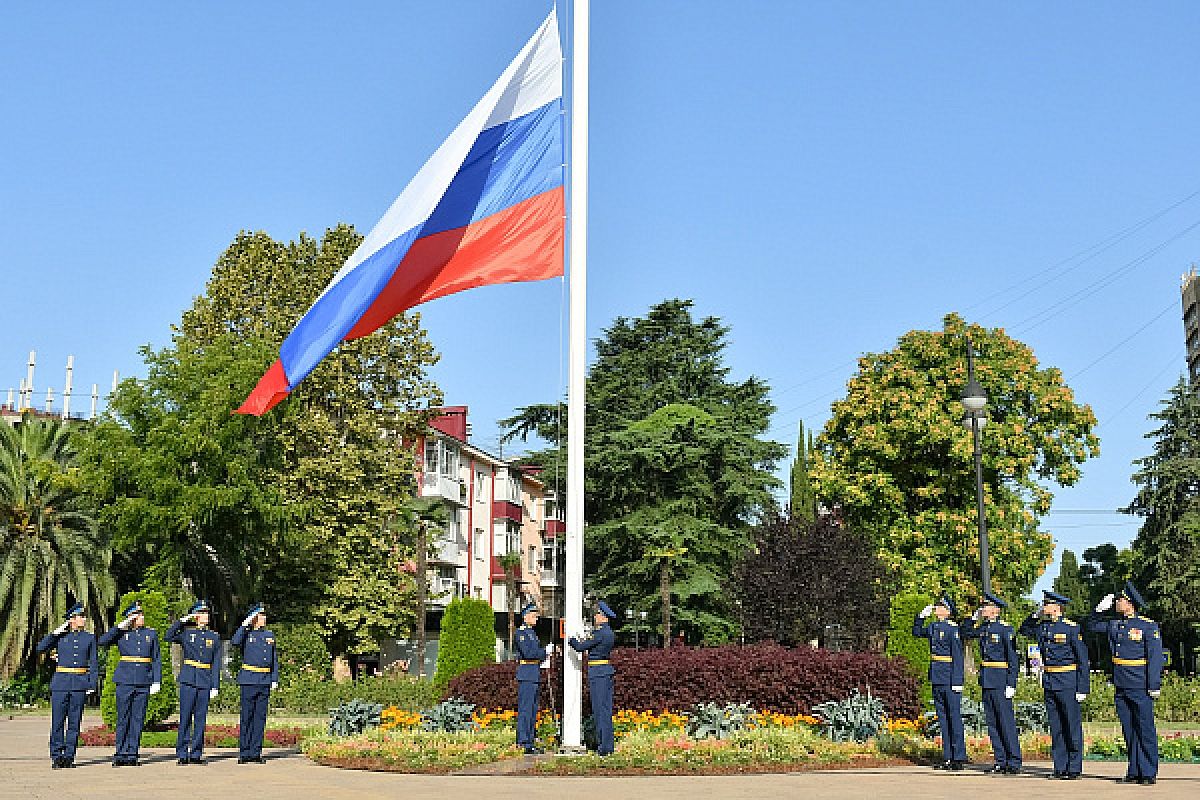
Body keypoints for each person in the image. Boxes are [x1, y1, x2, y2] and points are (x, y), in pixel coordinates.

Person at [1088, 581, 1164, 786]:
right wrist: (1097, 610)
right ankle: (1134, 769)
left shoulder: (1147, 626)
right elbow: (1092, 626)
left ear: (1130, 603)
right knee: (1129, 730)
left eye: (1120, 600)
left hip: (1140, 684)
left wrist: (1153, 684)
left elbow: (1155, 657)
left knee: (1145, 729)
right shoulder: (1115, 624)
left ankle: (1148, 771)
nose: (1116, 603)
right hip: (1122, 684)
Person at [1019, 590, 1089, 780]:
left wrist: (1083, 687)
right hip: (1050, 681)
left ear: (1057, 607)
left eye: (1047, 604)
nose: (1044, 607)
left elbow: (1083, 660)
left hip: (1068, 681)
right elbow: (1024, 630)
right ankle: (1060, 767)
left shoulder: (1071, 628)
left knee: (1071, 727)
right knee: (1056, 727)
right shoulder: (1042, 627)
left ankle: (1074, 768)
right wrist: (1035, 616)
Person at [962, 591, 1021, 774]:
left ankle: (1014, 761)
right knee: (993, 723)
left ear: (995, 610)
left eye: (986, 607)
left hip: (1001, 680)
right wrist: (973, 618)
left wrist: (1011, 683)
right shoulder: (984, 628)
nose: (983, 609)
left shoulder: (1005, 629)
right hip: (987, 679)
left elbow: (1013, 659)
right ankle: (1000, 760)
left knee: (1006, 722)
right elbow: (965, 632)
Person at [98, 600, 162, 766]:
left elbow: (156, 658)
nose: (141, 617)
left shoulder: (151, 634)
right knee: (123, 718)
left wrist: (156, 680)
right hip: (125, 680)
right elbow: (103, 641)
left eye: (141, 614)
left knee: (137, 719)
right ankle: (120, 753)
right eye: (138, 614)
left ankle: (132, 753)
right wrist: (120, 626)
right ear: (131, 618)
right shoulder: (121, 633)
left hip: (143, 680)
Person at [36, 602, 97, 769]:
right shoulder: (60, 637)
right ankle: (56, 756)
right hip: (61, 683)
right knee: (57, 722)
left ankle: (69, 756)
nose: (83, 619)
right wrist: (55, 633)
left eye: (83, 616)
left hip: (79, 683)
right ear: (72, 620)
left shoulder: (89, 638)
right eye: (80, 617)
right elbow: (40, 648)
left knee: (74, 723)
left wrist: (91, 683)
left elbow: (93, 662)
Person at [912, 594, 967, 770]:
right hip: (937, 676)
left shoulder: (952, 629)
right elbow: (916, 632)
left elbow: (958, 657)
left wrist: (957, 680)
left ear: (947, 611)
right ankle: (947, 757)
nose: (936, 608)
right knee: (943, 719)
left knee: (954, 718)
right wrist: (920, 618)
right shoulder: (934, 626)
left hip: (950, 677)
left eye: (939, 606)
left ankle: (958, 757)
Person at [165, 600, 221, 765]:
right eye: (202, 613)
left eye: (207, 613)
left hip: (204, 680)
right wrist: (183, 620)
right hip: (189, 679)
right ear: (195, 616)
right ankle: (182, 753)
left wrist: (215, 685)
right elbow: (168, 636)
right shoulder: (187, 633)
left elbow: (216, 662)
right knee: (185, 718)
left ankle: (196, 753)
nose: (206, 616)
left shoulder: (214, 636)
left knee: (200, 719)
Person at [230, 602, 279, 764]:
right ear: (253, 619)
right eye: (260, 616)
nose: (263, 619)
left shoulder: (269, 635)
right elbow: (235, 642)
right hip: (249, 680)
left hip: (264, 680)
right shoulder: (246, 634)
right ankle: (244, 752)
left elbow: (274, 659)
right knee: (247, 717)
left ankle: (256, 752)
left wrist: (274, 678)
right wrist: (245, 624)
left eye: (264, 616)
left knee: (260, 718)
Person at [569, 601, 616, 757]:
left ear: (603, 617)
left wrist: (571, 640)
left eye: (597, 614)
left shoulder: (600, 633)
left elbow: (581, 647)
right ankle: (607, 744)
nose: (595, 617)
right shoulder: (608, 633)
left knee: (599, 710)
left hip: (598, 673)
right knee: (605, 710)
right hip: (604, 671)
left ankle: (604, 747)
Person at [513, 602, 549, 754]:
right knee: (526, 709)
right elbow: (529, 654)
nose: (536, 619)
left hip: (533, 673)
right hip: (527, 673)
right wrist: (544, 652)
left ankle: (530, 740)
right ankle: (523, 741)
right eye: (534, 616)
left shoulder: (532, 633)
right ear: (525, 617)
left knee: (533, 710)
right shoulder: (521, 633)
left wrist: (542, 653)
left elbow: (537, 654)